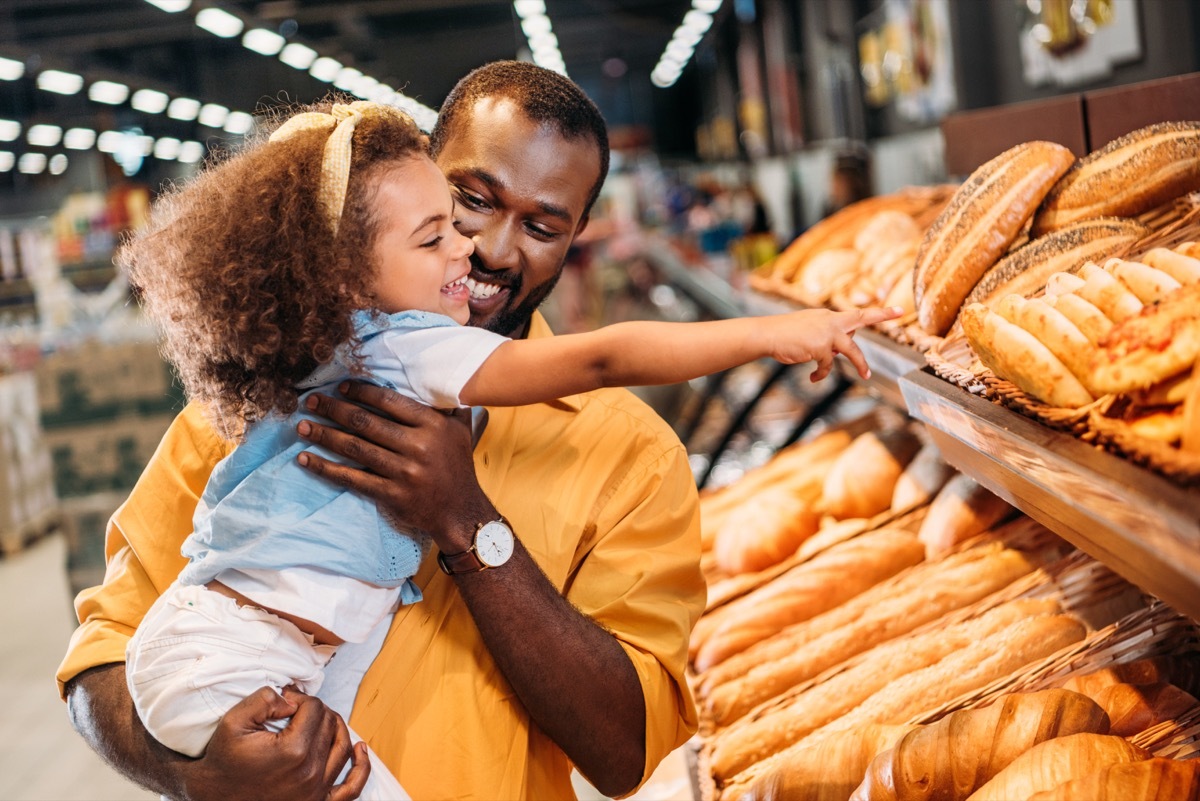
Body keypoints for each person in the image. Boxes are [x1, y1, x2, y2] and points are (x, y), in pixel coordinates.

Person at [57, 61, 891, 801]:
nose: (489, 248)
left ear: (576, 240)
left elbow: (626, 751)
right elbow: (107, 653)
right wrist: (197, 773)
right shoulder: (265, 395)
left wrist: (468, 522)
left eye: (541, 224)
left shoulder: (631, 457)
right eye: (469, 202)